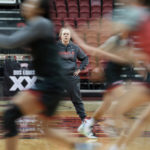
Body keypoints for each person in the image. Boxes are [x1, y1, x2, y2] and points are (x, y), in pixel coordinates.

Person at [0, 0, 101, 150]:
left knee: (10, 115)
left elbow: (10, 41)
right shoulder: (39, 25)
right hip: (51, 83)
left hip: (50, 83)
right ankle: (82, 148)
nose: (25, 5)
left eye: (31, 4)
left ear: (40, 9)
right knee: (46, 130)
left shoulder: (41, 23)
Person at [57, 28, 95, 137]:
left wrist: (79, 69)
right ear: (60, 35)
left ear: (70, 36)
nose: (66, 36)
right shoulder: (55, 47)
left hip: (71, 77)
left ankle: (84, 121)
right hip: (58, 77)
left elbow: (85, 59)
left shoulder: (75, 47)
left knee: (77, 99)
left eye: (68, 34)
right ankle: (43, 120)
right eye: (64, 34)